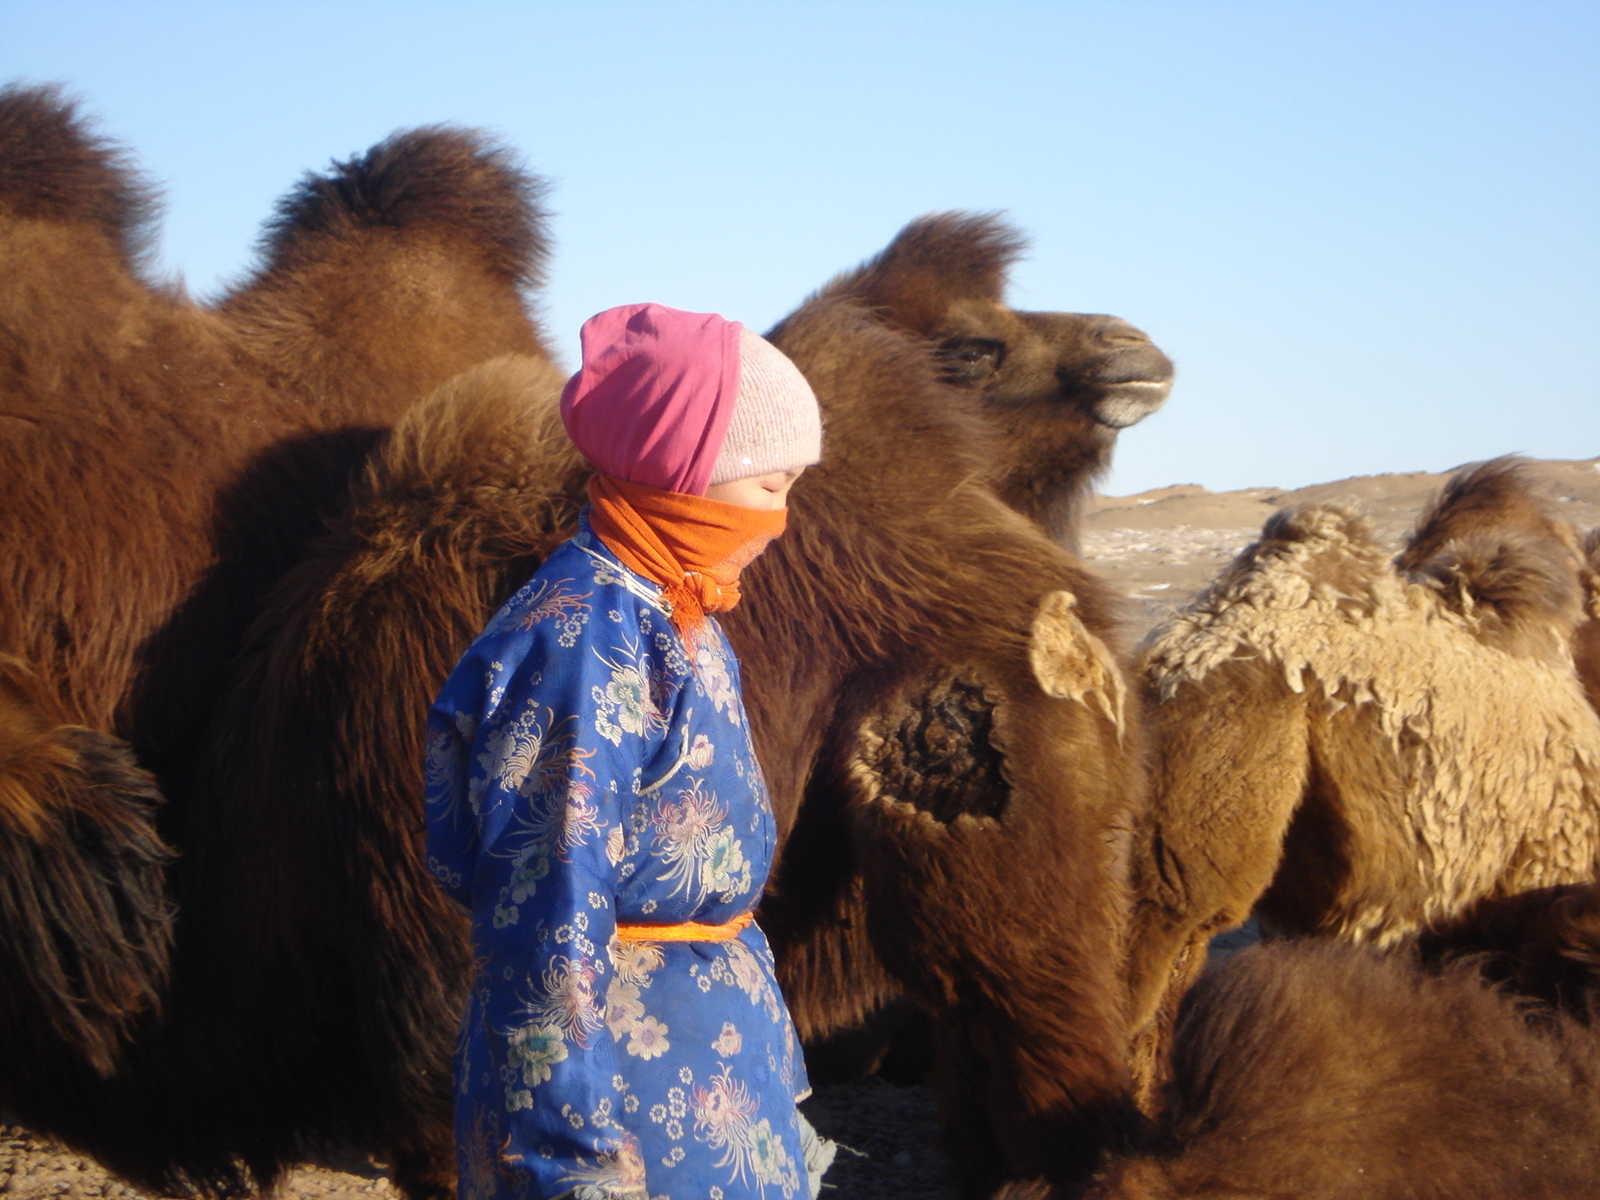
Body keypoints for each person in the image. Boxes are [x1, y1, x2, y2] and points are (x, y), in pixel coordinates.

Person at [424, 303, 831, 1200]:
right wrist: (573, 1159)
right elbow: (547, 913)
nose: (783, 517)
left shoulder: (675, 609)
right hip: (625, 1105)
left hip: (705, 1071)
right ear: (684, 470)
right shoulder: (579, 644)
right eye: (771, 486)